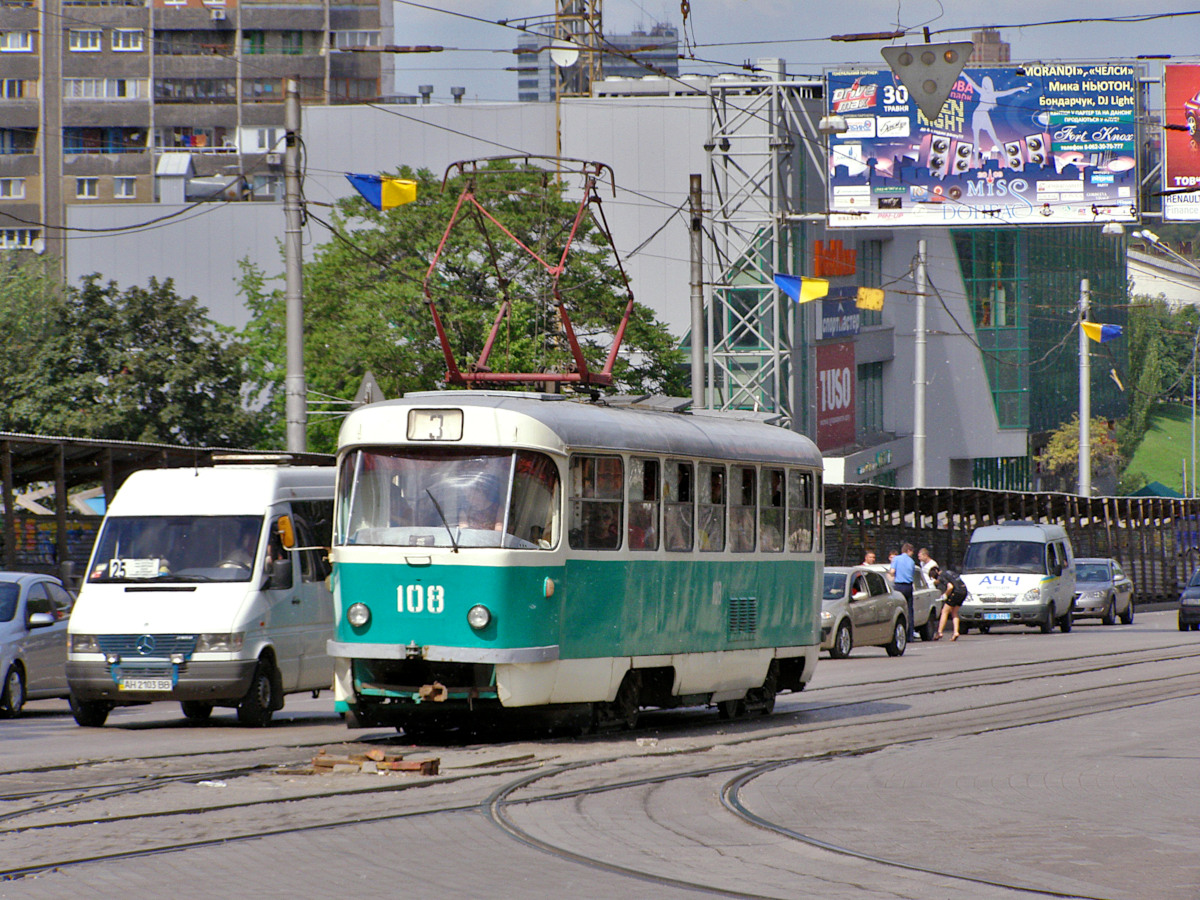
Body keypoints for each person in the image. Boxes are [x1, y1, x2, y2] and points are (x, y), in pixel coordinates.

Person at [889, 542, 916, 642]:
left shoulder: (896, 559)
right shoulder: (912, 562)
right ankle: (910, 636)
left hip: (899, 586)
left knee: (898, 610)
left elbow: (892, 572)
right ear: (908, 550)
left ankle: (898, 635)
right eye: (912, 552)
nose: (912, 554)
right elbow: (912, 574)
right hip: (908, 586)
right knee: (909, 611)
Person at [935, 566, 969, 640]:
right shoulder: (950, 572)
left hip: (956, 592)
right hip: (964, 591)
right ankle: (956, 632)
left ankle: (939, 632)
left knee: (944, 611)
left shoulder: (942, 575)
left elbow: (950, 587)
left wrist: (945, 595)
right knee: (954, 613)